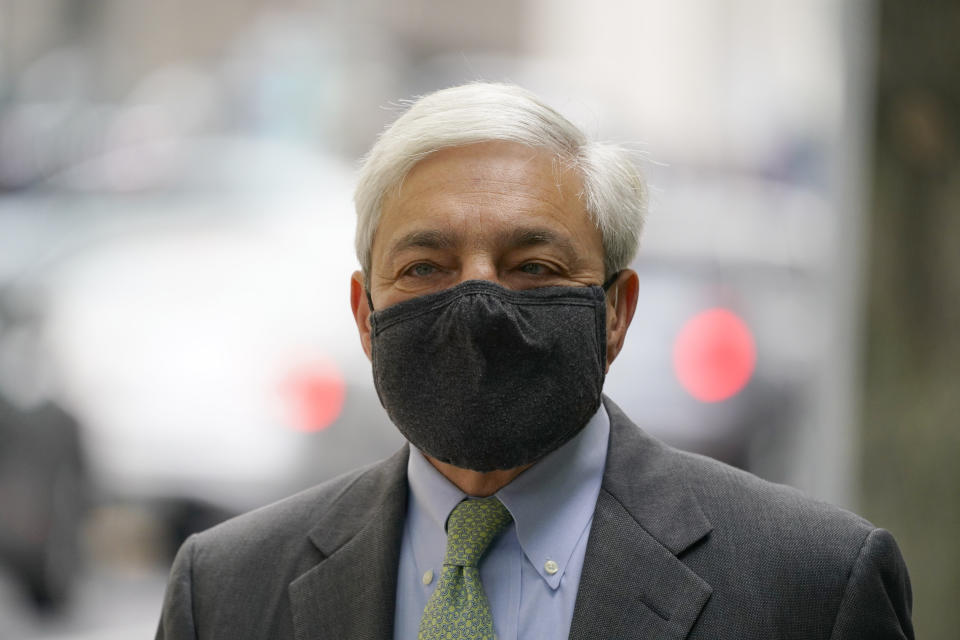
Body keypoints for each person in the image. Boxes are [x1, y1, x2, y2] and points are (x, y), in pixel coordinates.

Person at [155, 83, 913, 640]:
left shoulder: (814, 587)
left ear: (616, 311)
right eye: (426, 266)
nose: (479, 305)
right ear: (364, 314)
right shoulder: (225, 592)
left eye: (534, 267)